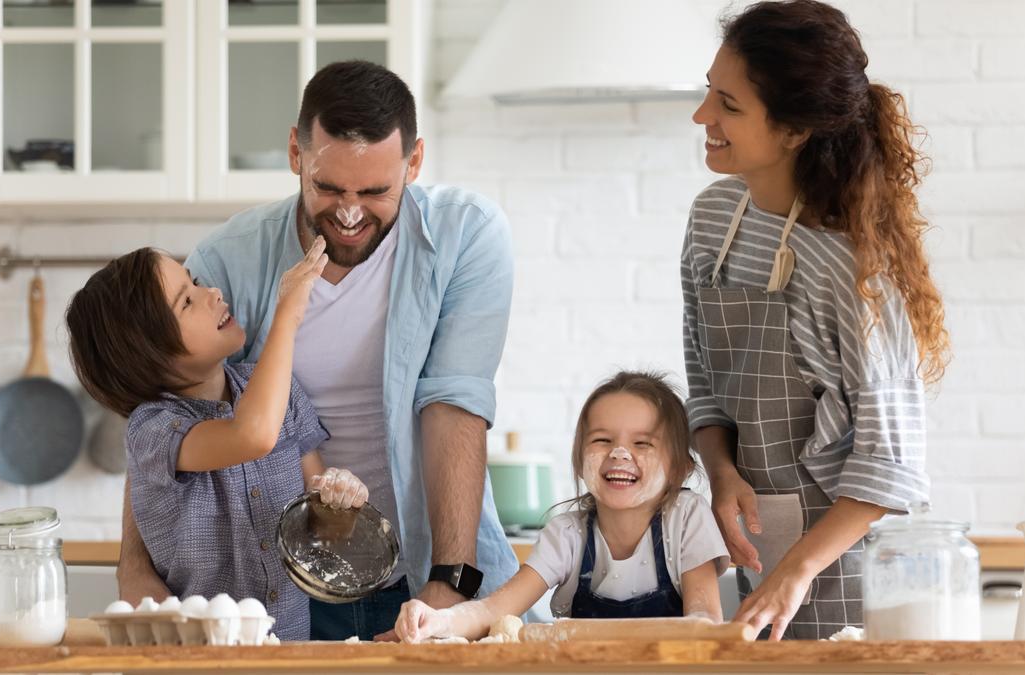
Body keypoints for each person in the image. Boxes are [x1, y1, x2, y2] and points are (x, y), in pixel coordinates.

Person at [115, 60, 519, 641]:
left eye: (376, 191)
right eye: (329, 188)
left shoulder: (467, 236)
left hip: (429, 577)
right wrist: (134, 566)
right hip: (279, 593)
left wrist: (448, 582)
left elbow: (453, 403)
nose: (350, 213)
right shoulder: (228, 259)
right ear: (295, 154)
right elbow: (160, 411)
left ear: (415, 162)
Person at [681, 0, 950, 640]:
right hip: (758, 545)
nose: (702, 117)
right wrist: (720, 474)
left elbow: (890, 461)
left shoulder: (849, 266)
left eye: (730, 105)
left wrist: (795, 572)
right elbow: (705, 382)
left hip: (853, 568)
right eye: (709, 93)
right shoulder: (712, 217)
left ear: (795, 130)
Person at [65, 239, 371, 641]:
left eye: (194, 283)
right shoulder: (153, 431)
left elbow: (320, 532)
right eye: (186, 302)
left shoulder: (282, 394)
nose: (211, 293)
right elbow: (251, 435)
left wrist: (341, 501)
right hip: (197, 664)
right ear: (148, 352)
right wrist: (288, 315)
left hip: (290, 659)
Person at [394, 372, 730, 643]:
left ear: (679, 468)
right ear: (579, 457)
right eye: (602, 440)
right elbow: (495, 611)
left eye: (642, 443)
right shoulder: (568, 534)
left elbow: (705, 622)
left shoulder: (687, 518)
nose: (619, 453)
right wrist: (438, 620)